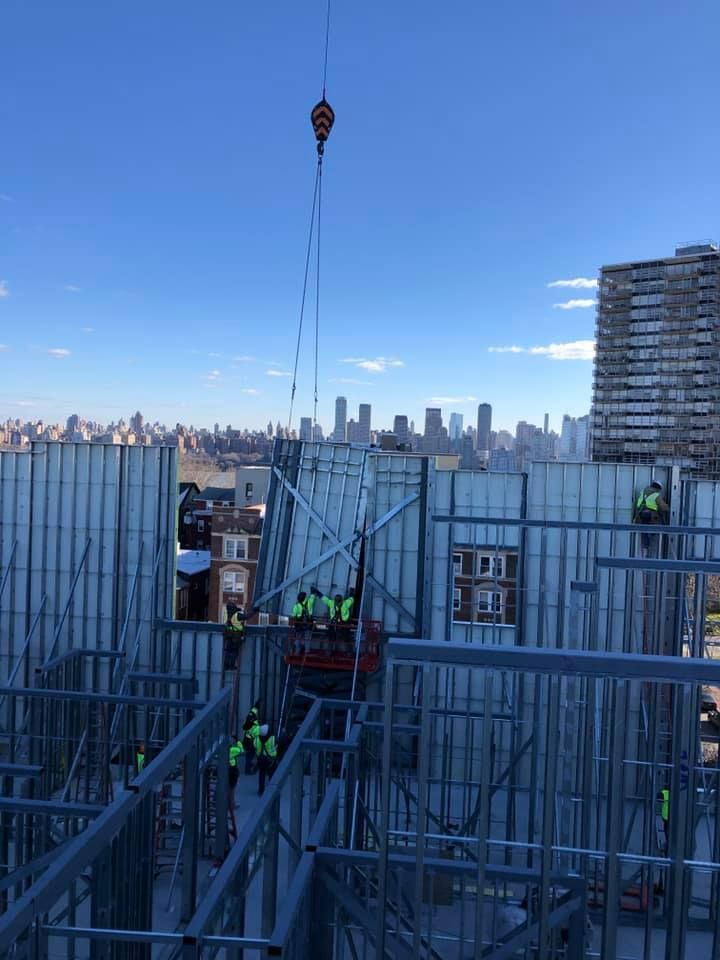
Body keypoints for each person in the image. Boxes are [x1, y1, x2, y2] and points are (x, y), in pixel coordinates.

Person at [632, 481, 669, 556]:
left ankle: (644, 552)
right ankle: (653, 555)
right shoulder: (656, 495)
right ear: (658, 489)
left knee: (644, 536)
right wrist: (667, 506)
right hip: (652, 519)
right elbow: (663, 508)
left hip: (640, 518)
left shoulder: (642, 493)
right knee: (654, 538)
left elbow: (636, 506)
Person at [254, 724, 278, 795]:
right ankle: (271, 790)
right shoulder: (273, 738)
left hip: (261, 759)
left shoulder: (256, 739)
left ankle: (261, 790)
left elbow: (255, 746)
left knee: (262, 774)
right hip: (271, 760)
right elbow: (277, 745)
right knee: (272, 775)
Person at [243, 702, 261, 774]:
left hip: (249, 742)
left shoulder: (250, 721)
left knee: (250, 757)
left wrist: (256, 706)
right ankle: (249, 770)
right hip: (251, 742)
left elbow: (253, 711)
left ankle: (250, 769)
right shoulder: (253, 724)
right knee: (251, 757)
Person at [228, 733, 243, 801]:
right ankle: (232, 803)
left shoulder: (223, 750)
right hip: (232, 770)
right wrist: (238, 741)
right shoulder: (233, 750)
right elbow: (242, 750)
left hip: (226, 769)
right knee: (232, 789)